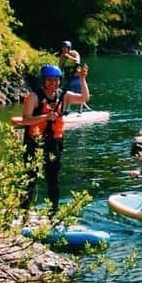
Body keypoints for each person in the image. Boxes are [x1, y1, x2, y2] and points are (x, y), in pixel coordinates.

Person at [21, 62, 90, 215]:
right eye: (49, 80)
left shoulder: (63, 95)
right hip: (35, 142)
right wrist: (45, 116)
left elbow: (84, 98)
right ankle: (23, 212)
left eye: (56, 79)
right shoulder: (34, 97)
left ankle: (53, 213)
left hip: (54, 143)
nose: (53, 83)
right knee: (30, 178)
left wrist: (82, 79)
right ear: (43, 81)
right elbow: (25, 120)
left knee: (53, 180)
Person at [58, 40, 86, 107]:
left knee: (79, 93)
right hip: (68, 77)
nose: (64, 49)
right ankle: (66, 110)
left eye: (65, 47)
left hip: (76, 77)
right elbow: (60, 67)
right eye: (63, 47)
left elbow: (77, 62)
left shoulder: (75, 53)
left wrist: (69, 57)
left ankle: (80, 110)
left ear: (69, 48)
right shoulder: (62, 56)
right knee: (67, 93)